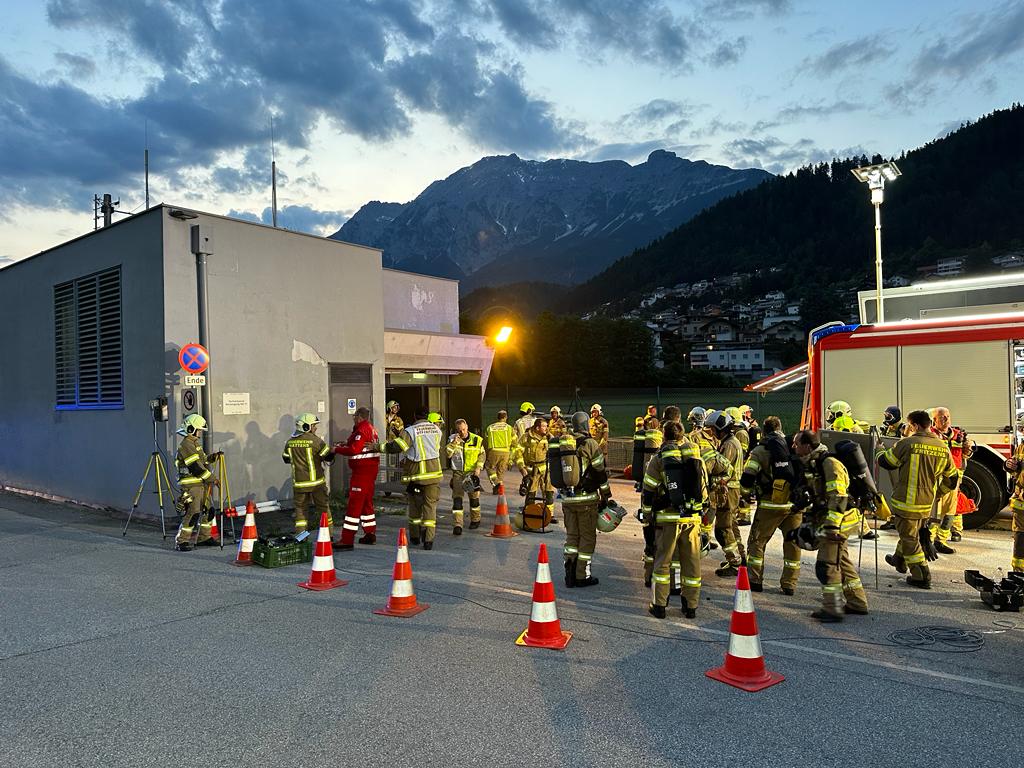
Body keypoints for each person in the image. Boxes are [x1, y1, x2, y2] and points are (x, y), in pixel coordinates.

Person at [877, 409, 959, 589]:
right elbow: (952, 479)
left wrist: (879, 451)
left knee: (910, 538)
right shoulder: (942, 447)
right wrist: (938, 493)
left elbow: (887, 463)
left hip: (906, 503)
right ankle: (899, 559)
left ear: (914, 425)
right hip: (926, 504)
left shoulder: (907, 443)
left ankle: (921, 575)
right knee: (911, 532)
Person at [793, 430, 869, 622]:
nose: (793, 447)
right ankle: (857, 602)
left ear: (807, 446)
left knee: (827, 565)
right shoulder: (813, 463)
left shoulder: (829, 463)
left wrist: (832, 528)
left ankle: (832, 608)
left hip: (839, 521)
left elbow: (839, 496)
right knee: (841, 560)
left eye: (796, 444)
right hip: (835, 520)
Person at [641, 421, 706, 618]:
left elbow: (648, 491)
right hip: (692, 519)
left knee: (663, 562)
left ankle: (659, 606)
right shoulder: (695, 457)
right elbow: (704, 488)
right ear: (682, 435)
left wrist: (647, 516)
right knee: (691, 563)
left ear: (664, 435)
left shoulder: (658, 459)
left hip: (667, 520)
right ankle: (690, 607)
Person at [741, 416, 803, 594]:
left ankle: (755, 580)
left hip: (770, 504)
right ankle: (789, 584)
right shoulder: (792, 446)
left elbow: (748, 476)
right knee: (792, 544)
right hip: (793, 504)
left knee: (757, 542)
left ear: (764, 430)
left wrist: (745, 494)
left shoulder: (760, 450)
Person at [561, 411, 612, 588]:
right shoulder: (590, 443)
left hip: (567, 500)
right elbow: (600, 472)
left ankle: (569, 571)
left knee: (572, 536)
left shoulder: (565, 443)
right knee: (587, 537)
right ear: (585, 424)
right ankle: (582, 576)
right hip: (586, 500)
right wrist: (606, 495)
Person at [382, 406, 443, 550]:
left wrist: (377, 447)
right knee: (430, 507)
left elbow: (397, 447)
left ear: (415, 416)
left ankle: (415, 537)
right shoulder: (437, 430)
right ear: (427, 416)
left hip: (416, 476)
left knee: (415, 507)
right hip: (434, 476)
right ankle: (428, 540)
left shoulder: (410, 431)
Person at [332, 406, 379, 550]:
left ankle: (347, 539)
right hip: (370, 472)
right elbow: (357, 445)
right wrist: (345, 444)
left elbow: (354, 450)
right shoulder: (370, 429)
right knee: (366, 503)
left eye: (354, 416)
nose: (353, 418)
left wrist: (336, 449)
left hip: (361, 473)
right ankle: (370, 533)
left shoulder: (361, 430)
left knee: (354, 505)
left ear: (359, 417)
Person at [283, 412, 336, 537]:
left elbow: (286, 459)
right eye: (313, 425)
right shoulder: (316, 441)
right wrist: (334, 450)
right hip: (316, 483)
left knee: (301, 512)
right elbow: (328, 457)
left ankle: (301, 538)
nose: (315, 428)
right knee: (323, 509)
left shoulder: (290, 442)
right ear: (306, 427)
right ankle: (328, 536)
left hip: (299, 484)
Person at [706, 410, 745, 578]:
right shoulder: (731, 441)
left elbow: (723, 468)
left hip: (728, 490)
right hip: (732, 490)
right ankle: (740, 557)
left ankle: (734, 562)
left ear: (721, 428)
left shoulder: (729, 445)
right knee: (732, 526)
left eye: (713, 429)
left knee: (723, 529)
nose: (712, 433)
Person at [929, 406, 972, 550]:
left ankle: (941, 540)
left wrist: (967, 450)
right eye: (942, 417)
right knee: (934, 510)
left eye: (948, 416)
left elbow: (964, 456)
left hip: (953, 479)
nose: (946, 419)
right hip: (937, 478)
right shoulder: (930, 435)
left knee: (950, 511)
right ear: (934, 420)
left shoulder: (959, 435)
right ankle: (929, 539)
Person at [173, 414, 219, 551]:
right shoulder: (186, 445)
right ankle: (182, 541)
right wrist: (213, 479)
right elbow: (196, 468)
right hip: (191, 485)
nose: (199, 433)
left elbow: (202, 460)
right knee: (193, 513)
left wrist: (212, 457)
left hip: (201, 484)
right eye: (198, 430)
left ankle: (204, 538)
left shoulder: (194, 444)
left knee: (209, 511)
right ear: (190, 429)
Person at [690, 410, 732, 550]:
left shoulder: (718, 439)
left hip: (713, 482)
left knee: (711, 512)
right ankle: (697, 540)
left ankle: (706, 539)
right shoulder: (695, 437)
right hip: (702, 480)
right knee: (701, 512)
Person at [446, 418, 485, 534]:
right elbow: (448, 454)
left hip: (471, 473)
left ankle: (475, 520)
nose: (462, 432)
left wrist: (478, 468)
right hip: (458, 473)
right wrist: (454, 443)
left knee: (474, 499)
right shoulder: (452, 439)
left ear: (467, 427)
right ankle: (458, 525)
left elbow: (482, 455)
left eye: (463, 429)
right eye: (459, 430)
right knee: (457, 499)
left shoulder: (477, 439)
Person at [516, 415, 555, 524]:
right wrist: (522, 469)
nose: (546, 428)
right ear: (537, 428)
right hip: (532, 470)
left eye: (547, 426)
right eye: (544, 426)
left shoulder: (547, 437)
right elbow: (517, 453)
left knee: (549, 492)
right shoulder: (526, 437)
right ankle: (529, 515)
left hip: (545, 469)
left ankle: (549, 515)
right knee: (531, 494)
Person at [1004, 415, 1024, 573]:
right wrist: (1010, 466)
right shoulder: (1021, 447)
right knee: (1020, 536)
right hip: (1020, 501)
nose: (1022, 431)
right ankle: (1018, 572)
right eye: (1021, 428)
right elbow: (1017, 471)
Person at [484, 410, 516, 493]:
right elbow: (514, 442)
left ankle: (496, 483)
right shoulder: (509, 428)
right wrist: (511, 458)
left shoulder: (490, 427)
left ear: (497, 417)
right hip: (506, 452)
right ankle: (499, 489)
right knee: (501, 471)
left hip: (494, 451)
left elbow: (486, 441)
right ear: (506, 417)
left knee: (489, 467)